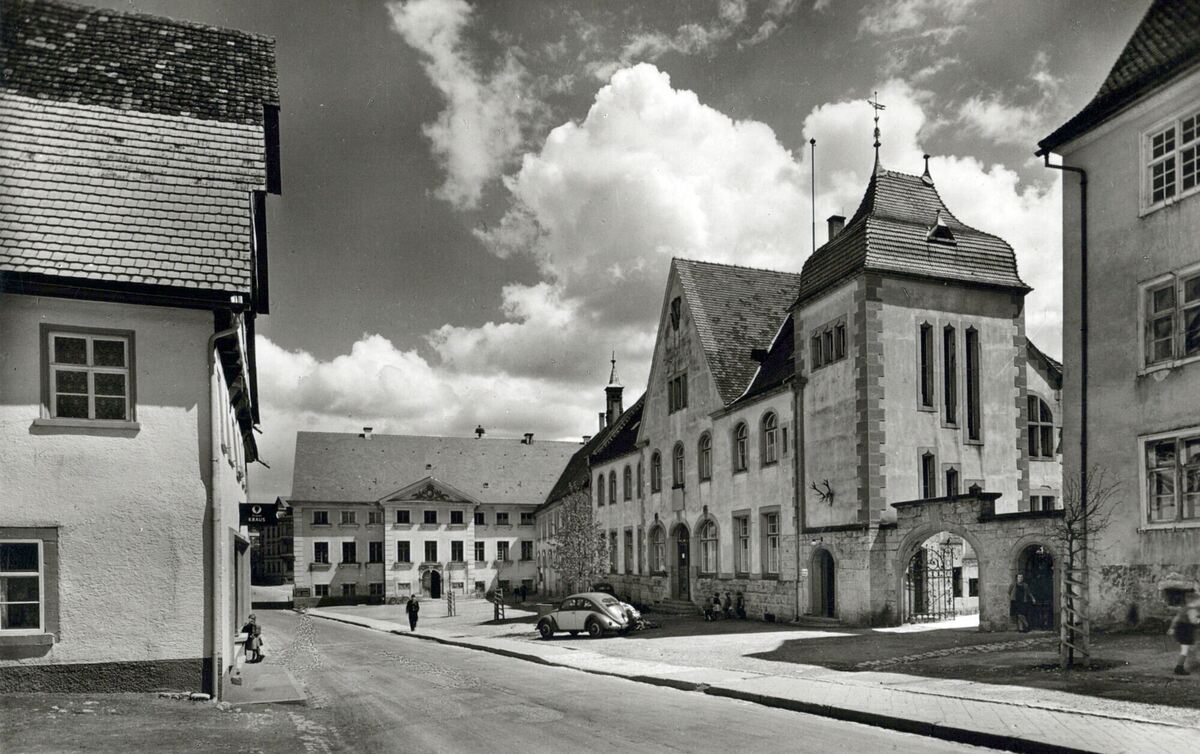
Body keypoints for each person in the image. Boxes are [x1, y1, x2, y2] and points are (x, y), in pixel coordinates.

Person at [1168, 592, 1200, 675]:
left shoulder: (1184, 608)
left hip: (1180, 630)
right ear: (1195, 601)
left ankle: (1181, 667)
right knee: (1184, 650)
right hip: (1186, 631)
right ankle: (1179, 668)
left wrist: (1172, 628)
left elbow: (1176, 619)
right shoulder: (1192, 609)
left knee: (1186, 649)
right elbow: (1194, 621)